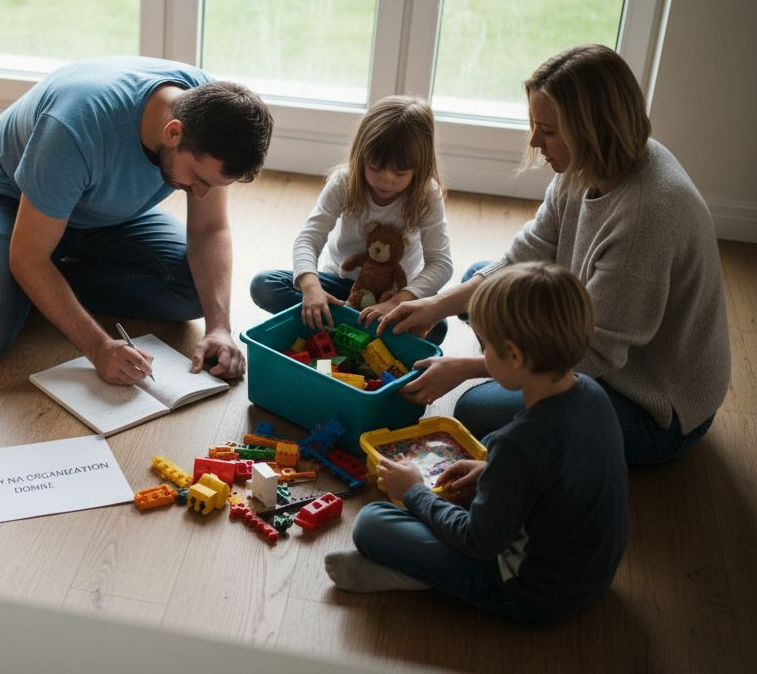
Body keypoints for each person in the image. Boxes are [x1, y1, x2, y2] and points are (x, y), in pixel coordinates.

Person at [377, 44, 729, 465]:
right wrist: (436, 305)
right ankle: (516, 367)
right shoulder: (587, 164)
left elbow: (593, 354)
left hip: (650, 402)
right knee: (480, 281)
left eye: (547, 131)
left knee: (475, 410)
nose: (534, 141)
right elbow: (526, 254)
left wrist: (468, 368)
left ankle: (520, 380)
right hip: (587, 333)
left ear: (592, 129)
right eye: (534, 125)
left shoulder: (646, 218)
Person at [0, 56, 274, 385]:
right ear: (173, 132)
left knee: (195, 291)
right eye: (198, 179)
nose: (200, 194)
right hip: (15, 198)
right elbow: (29, 256)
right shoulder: (75, 127)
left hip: (108, 211)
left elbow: (209, 230)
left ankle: (27, 286)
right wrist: (99, 348)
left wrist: (221, 328)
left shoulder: (210, 113)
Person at [326, 262, 629, 623]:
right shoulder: (593, 393)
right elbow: (562, 470)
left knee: (371, 522)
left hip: (529, 593)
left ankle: (418, 575)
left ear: (514, 356)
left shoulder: (518, 444)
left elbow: (477, 541)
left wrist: (413, 492)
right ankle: (424, 564)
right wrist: (490, 470)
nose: (481, 355)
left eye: (484, 346)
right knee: (485, 448)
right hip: (592, 575)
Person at [248, 95, 452, 344]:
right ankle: (361, 331)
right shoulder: (344, 182)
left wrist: (397, 302)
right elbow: (309, 238)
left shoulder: (426, 195)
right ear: (361, 155)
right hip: (341, 285)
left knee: (437, 326)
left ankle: (335, 327)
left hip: (396, 294)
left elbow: (440, 264)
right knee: (264, 285)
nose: (386, 180)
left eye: (400, 172)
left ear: (420, 167)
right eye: (375, 167)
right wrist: (311, 287)